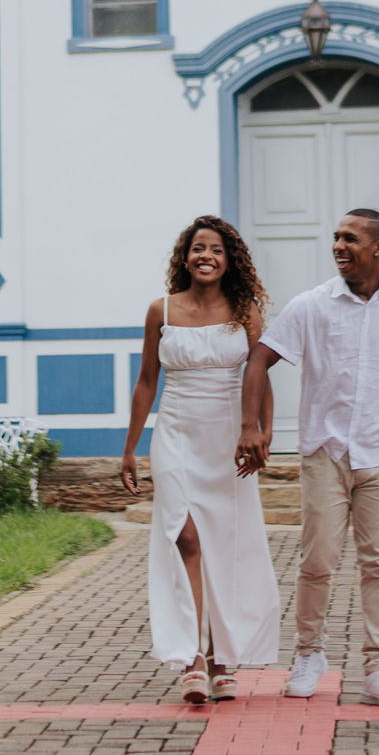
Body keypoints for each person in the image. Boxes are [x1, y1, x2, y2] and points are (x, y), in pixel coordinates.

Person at [236, 208, 379, 707]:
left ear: (378, 247)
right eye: (336, 237)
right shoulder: (312, 306)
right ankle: (309, 654)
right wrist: (250, 426)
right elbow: (260, 358)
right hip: (326, 453)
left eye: (350, 238)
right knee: (317, 563)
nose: (338, 245)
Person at [122, 215, 281, 703]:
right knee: (185, 537)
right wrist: (129, 448)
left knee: (226, 546)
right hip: (175, 434)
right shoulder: (161, 310)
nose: (205, 256)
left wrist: (263, 433)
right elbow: (148, 381)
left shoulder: (244, 310)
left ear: (229, 259)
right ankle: (193, 655)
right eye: (197, 249)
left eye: (215, 249)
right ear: (184, 257)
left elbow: (260, 374)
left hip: (228, 438)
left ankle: (223, 659)